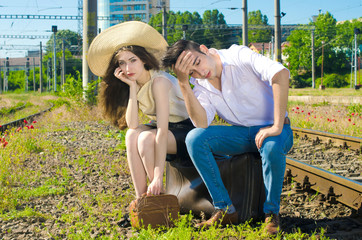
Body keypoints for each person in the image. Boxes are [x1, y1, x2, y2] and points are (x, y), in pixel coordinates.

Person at [162, 40, 293, 235]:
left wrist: (276, 125)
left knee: (271, 146)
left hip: (275, 131)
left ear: (204, 49)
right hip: (242, 134)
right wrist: (183, 83)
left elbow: (280, 73)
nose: (199, 73)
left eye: (197, 63)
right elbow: (201, 123)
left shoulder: (238, 55)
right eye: (191, 73)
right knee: (195, 138)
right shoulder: (200, 84)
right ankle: (225, 208)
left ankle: (271, 213)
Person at [87, 22, 194, 199]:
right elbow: (133, 124)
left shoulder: (159, 82)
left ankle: (157, 193)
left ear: (143, 59)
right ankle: (141, 198)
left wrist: (158, 176)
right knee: (131, 134)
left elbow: (161, 131)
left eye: (132, 60)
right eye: (122, 63)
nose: (127, 69)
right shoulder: (135, 83)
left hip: (186, 129)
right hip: (167, 129)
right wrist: (131, 87)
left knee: (144, 138)